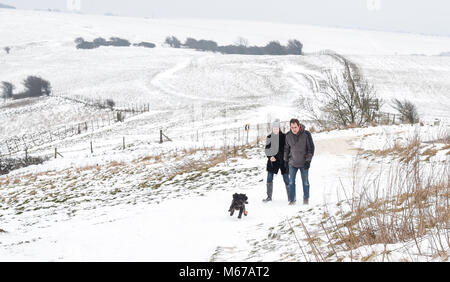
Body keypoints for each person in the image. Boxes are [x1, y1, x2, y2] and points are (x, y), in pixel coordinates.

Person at [284, 118, 315, 205]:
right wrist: (285, 162)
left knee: (305, 182)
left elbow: (311, 149)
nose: (293, 129)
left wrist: (308, 161)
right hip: (292, 163)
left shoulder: (306, 134)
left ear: (299, 126)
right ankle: (292, 200)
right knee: (291, 182)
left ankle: (306, 199)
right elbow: (286, 149)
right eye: (292, 127)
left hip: (303, 163)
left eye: (295, 127)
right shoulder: (288, 135)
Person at [263, 119, 290, 202]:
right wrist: (270, 157)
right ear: (272, 129)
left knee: (286, 179)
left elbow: (287, 149)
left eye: (277, 128)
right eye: (274, 129)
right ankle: (269, 197)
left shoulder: (284, 137)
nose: (275, 130)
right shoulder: (269, 137)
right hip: (273, 162)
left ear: (279, 128)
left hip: (283, 161)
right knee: (269, 178)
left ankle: (291, 197)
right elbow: (267, 149)